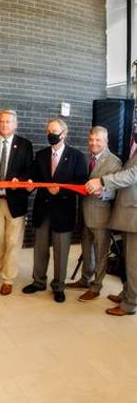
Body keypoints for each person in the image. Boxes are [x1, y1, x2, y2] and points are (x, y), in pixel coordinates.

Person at [22, 118, 88, 303]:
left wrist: (62, 189)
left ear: (64, 134)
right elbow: (33, 177)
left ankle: (59, 286)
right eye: (49, 131)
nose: (51, 135)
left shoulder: (76, 156)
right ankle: (38, 281)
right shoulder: (41, 154)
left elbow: (81, 183)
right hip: (42, 210)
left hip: (63, 210)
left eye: (55, 131)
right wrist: (28, 183)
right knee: (40, 249)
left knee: (61, 251)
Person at [0, 110, 33, 296]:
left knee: (13, 242)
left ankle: (8, 278)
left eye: (8, 122)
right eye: (1, 122)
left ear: (15, 124)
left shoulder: (25, 145)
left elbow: (29, 171)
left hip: (16, 202)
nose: (4, 125)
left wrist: (21, 179)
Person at [86, 128, 137, 316]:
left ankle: (130, 304)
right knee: (127, 260)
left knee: (133, 264)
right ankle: (127, 294)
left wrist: (103, 181)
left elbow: (132, 175)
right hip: (128, 214)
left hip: (134, 214)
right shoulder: (134, 148)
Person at [67, 126, 121, 301]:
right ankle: (85, 279)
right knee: (86, 250)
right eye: (91, 139)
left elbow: (115, 190)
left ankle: (96, 287)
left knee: (100, 253)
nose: (93, 143)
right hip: (85, 214)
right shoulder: (85, 158)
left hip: (101, 216)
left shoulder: (114, 162)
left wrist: (102, 192)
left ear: (106, 142)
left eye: (98, 140)